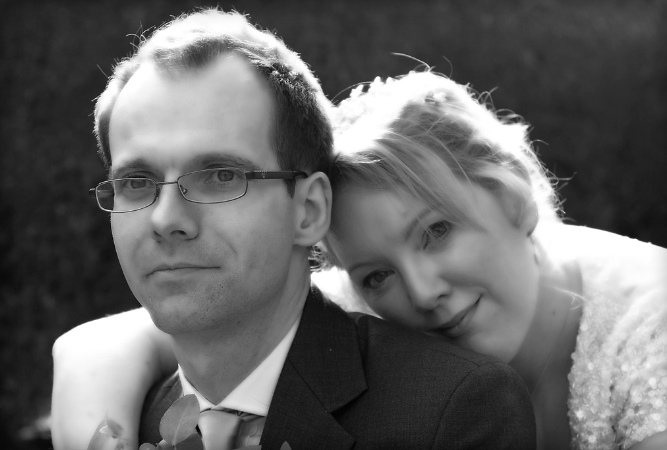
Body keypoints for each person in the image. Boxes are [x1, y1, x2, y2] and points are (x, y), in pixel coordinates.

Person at [50, 8, 537, 450]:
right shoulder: (116, 421)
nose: (166, 219)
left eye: (221, 176)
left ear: (308, 209)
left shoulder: (450, 413)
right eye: (137, 183)